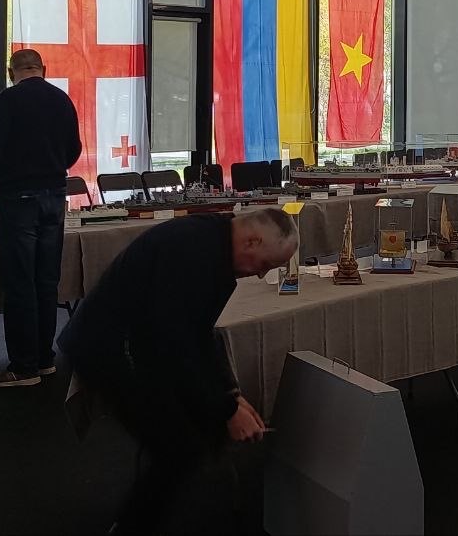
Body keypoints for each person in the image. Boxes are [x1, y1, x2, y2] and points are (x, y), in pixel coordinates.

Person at [57, 208, 299, 535]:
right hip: (106, 349)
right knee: (178, 445)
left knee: (195, 431)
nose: (260, 275)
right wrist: (226, 408)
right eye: (265, 264)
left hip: (140, 345)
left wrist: (229, 396)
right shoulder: (192, 252)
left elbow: (199, 334)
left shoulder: (217, 248)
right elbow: (174, 344)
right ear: (252, 241)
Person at [0, 48, 81, 387]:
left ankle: (22, 367)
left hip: (18, 200)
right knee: (46, 282)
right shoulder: (61, 100)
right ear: (43, 68)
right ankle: (44, 359)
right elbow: (73, 148)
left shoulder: (8, 100)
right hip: (54, 197)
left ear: (10, 71)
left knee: (19, 283)